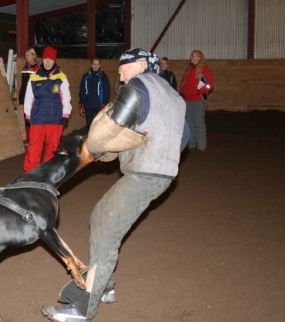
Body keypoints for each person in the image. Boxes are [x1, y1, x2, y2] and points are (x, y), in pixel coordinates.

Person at [41, 48, 189, 322]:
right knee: (100, 217)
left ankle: (82, 309)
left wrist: (98, 147)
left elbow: (105, 133)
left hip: (145, 174)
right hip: (161, 173)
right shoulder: (172, 95)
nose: (120, 75)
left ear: (142, 65)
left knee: (106, 231)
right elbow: (185, 136)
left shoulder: (140, 83)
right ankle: (106, 288)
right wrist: (159, 151)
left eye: (123, 68)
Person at [22, 46, 72, 173]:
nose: (48, 62)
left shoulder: (61, 77)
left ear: (54, 61)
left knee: (53, 147)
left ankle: (48, 174)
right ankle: (30, 174)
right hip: (38, 117)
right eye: (45, 59)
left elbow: (66, 98)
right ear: (42, 60)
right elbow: (29, 97)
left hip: (55, 118)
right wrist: (28, 115)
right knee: (34, 147)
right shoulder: (34, 77)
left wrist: (66, 114)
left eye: (50, 59)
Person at [180, 50, 214, 151]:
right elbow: (184, 82)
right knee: (190, 122)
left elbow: (210, 84)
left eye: (195, 56)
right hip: (188, 100)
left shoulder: (204, 69)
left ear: (199, 58)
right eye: (192, 55)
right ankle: (191, 142)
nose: (192, 57)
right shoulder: (189, 69)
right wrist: (183, 91)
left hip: (198, 100)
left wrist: (200, 91)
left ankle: (201, 143)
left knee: (198, 122)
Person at [78, 58, 110, 131]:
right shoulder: (86, 76)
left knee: (100, 125)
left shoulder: (103, 77)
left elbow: (106, 91)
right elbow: (82, 90)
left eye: (97, 64)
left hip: (99, 104)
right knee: (89, 125)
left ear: (100, 65)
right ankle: (90, 140)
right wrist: (81, 104)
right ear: (91, 65)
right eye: (94, 64)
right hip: (88, 104)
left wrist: (104, 103)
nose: (96, 66)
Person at [18, 48, 40, 145]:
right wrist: (20, 94)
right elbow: (23, 84)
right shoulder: (24, 68)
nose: (26, 57)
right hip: (25, 96)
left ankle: (35, 139)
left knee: (34, 118)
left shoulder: (37, 68)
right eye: (25, 55)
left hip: (34, 97)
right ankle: (28, 139)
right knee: (26, 118)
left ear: (33, 56)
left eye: (28, 55)